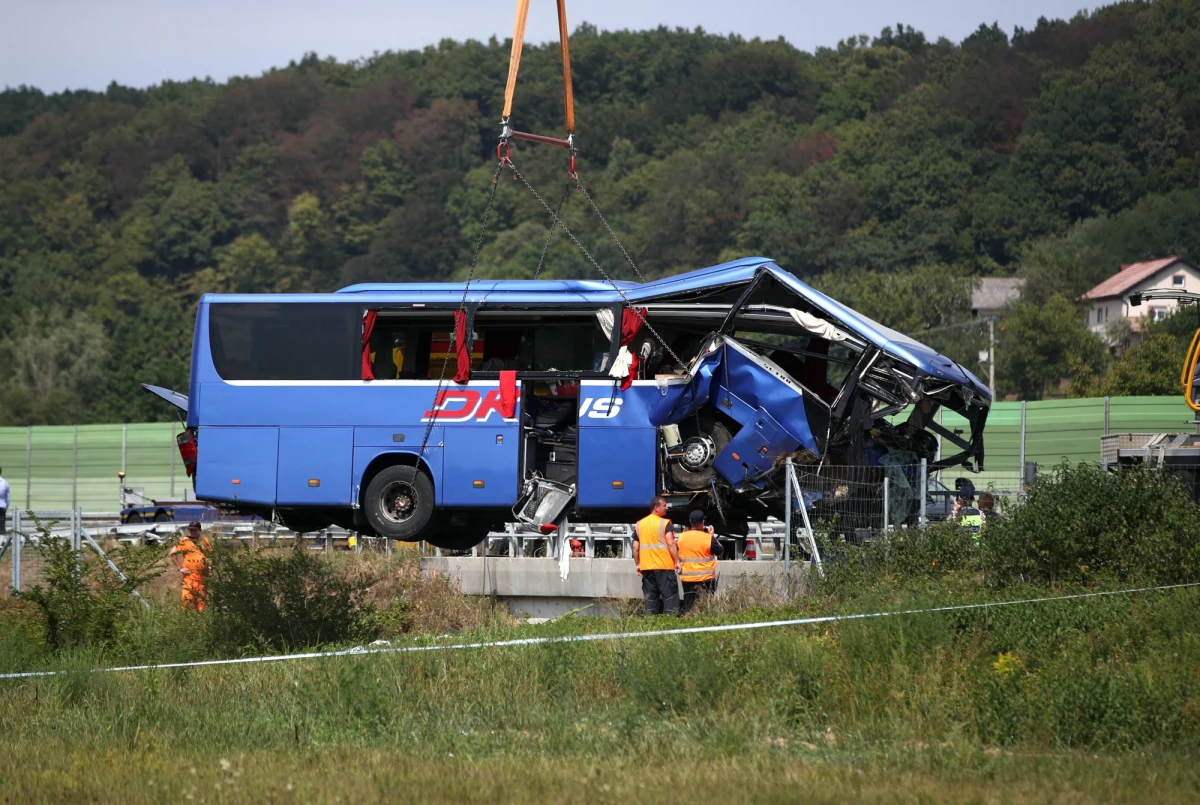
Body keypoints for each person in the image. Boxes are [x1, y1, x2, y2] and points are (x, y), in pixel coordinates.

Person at [633, 496, 680, 615]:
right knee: (670, 599)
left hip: (647, 567)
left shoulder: (639, 524)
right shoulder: (665, 523)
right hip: (664, 566)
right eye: (664, 506)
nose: (666, 508)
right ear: (656, 508)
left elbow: (635, 547)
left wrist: (638, 564)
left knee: (650, 600)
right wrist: (677, 561)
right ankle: (671, 622)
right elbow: (671, 543)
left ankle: (650, 623)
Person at [677, 510, 723, 614]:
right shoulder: (708, 538)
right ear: (703, 522)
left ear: (690, 522)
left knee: (689, 603)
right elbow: (720, 550)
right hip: (706, 578)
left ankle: (689, 618)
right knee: (707, 604)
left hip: (688, 577)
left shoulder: (682, 537)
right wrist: (712, 535)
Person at [169, 521, 212, 611]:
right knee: (186, 605)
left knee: (201, 607)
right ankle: (185, 619)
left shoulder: (205, 541)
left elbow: (210, 556)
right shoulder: (185, 541)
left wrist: (209, 568)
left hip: (202, 579)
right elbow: (172, 553)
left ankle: (200, 619)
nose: (192, 532)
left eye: (194, 530)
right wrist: (180, 568)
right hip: (189, 578)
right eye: (191, 530)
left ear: (200, 530)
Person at [0, 466, 8, 537]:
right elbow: (7, 497)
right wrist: (6, 506)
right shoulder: (5, 482)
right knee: (2, 526)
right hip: (2, 506)